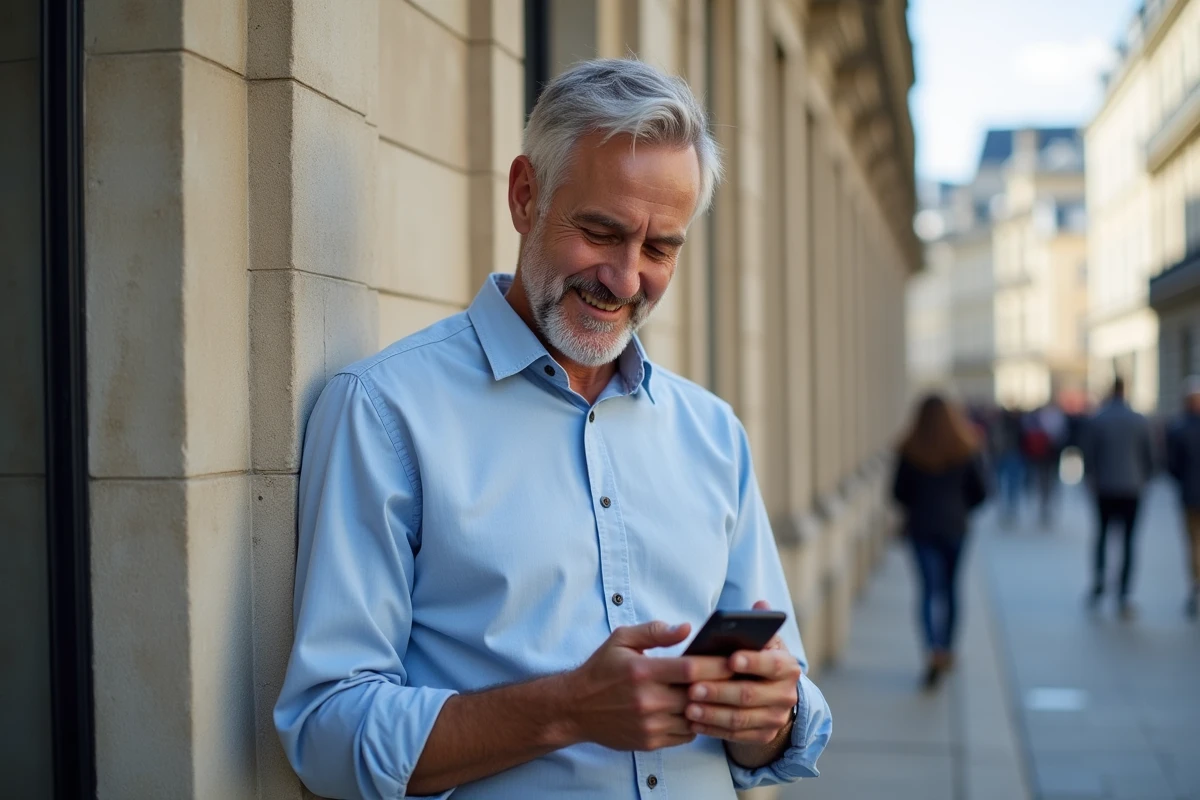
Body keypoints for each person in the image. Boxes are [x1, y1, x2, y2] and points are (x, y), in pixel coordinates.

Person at [274, 59, 831, 800]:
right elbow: (325, 730)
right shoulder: (384, 412)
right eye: (601, 232)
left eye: (660, 247)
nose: (627, 280)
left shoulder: (714, 434)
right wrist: (566, 711)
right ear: (524, 195)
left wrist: (768, 715)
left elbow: (785, 706)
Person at [892, 394, 988, 688]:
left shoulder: (910, 449)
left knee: (927, 591)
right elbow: (982, 491)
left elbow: (897, 493)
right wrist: (960, 508)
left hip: (921, 528)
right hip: (955, 528)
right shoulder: (966, 447)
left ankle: (932, 649)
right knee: (950, 589)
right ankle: (947, 648)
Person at [1081, 377, 1154, 618]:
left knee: (1102, 534)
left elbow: (1088, 455)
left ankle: (1100, 581)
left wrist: (1091, 478)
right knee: (1129, 540)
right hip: (1132, 488)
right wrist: (1144, 479)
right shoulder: (1139, 420)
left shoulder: (1098, 419)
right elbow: (1150, 457)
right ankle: (1124, 592)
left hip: (1105, 486)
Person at [1166, 376, 1200, 619]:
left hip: (1189, 494)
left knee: (1194, 543)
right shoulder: (1177, 429)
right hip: (1189, 494)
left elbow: (1172, 466)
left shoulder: (1178, 428)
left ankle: (1195, 585)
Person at [1024, 402, 1068, 527]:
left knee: (1046, 481)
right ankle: (1045, 505)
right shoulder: (1054, 418)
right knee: (1045, 481)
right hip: (1045, 456)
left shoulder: (1040, 418)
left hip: (1047, 456)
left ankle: (1045, 505)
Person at [989, 405, 1025, 526]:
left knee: (1008, 484)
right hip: (1007, 455)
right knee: (1008, 484)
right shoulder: (1014, 424)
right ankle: (1007, 508)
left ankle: (1008, 508)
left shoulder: (1003, 424)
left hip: (1009, 455)